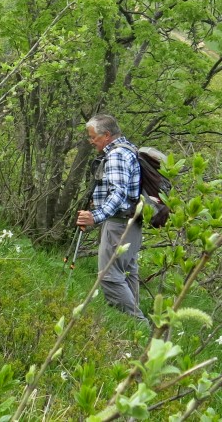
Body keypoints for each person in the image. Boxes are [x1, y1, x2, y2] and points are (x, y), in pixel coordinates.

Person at [76, 114, 147, 321]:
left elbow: (119, 193)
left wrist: (95, 216)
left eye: (93, 137)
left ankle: (138, 325)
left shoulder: (116, 155)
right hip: (130, 223)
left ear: (106, 135)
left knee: (109, 275)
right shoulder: (129, 149)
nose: (91, 141)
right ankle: (132, 329)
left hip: (119, 223)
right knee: (127, 273)